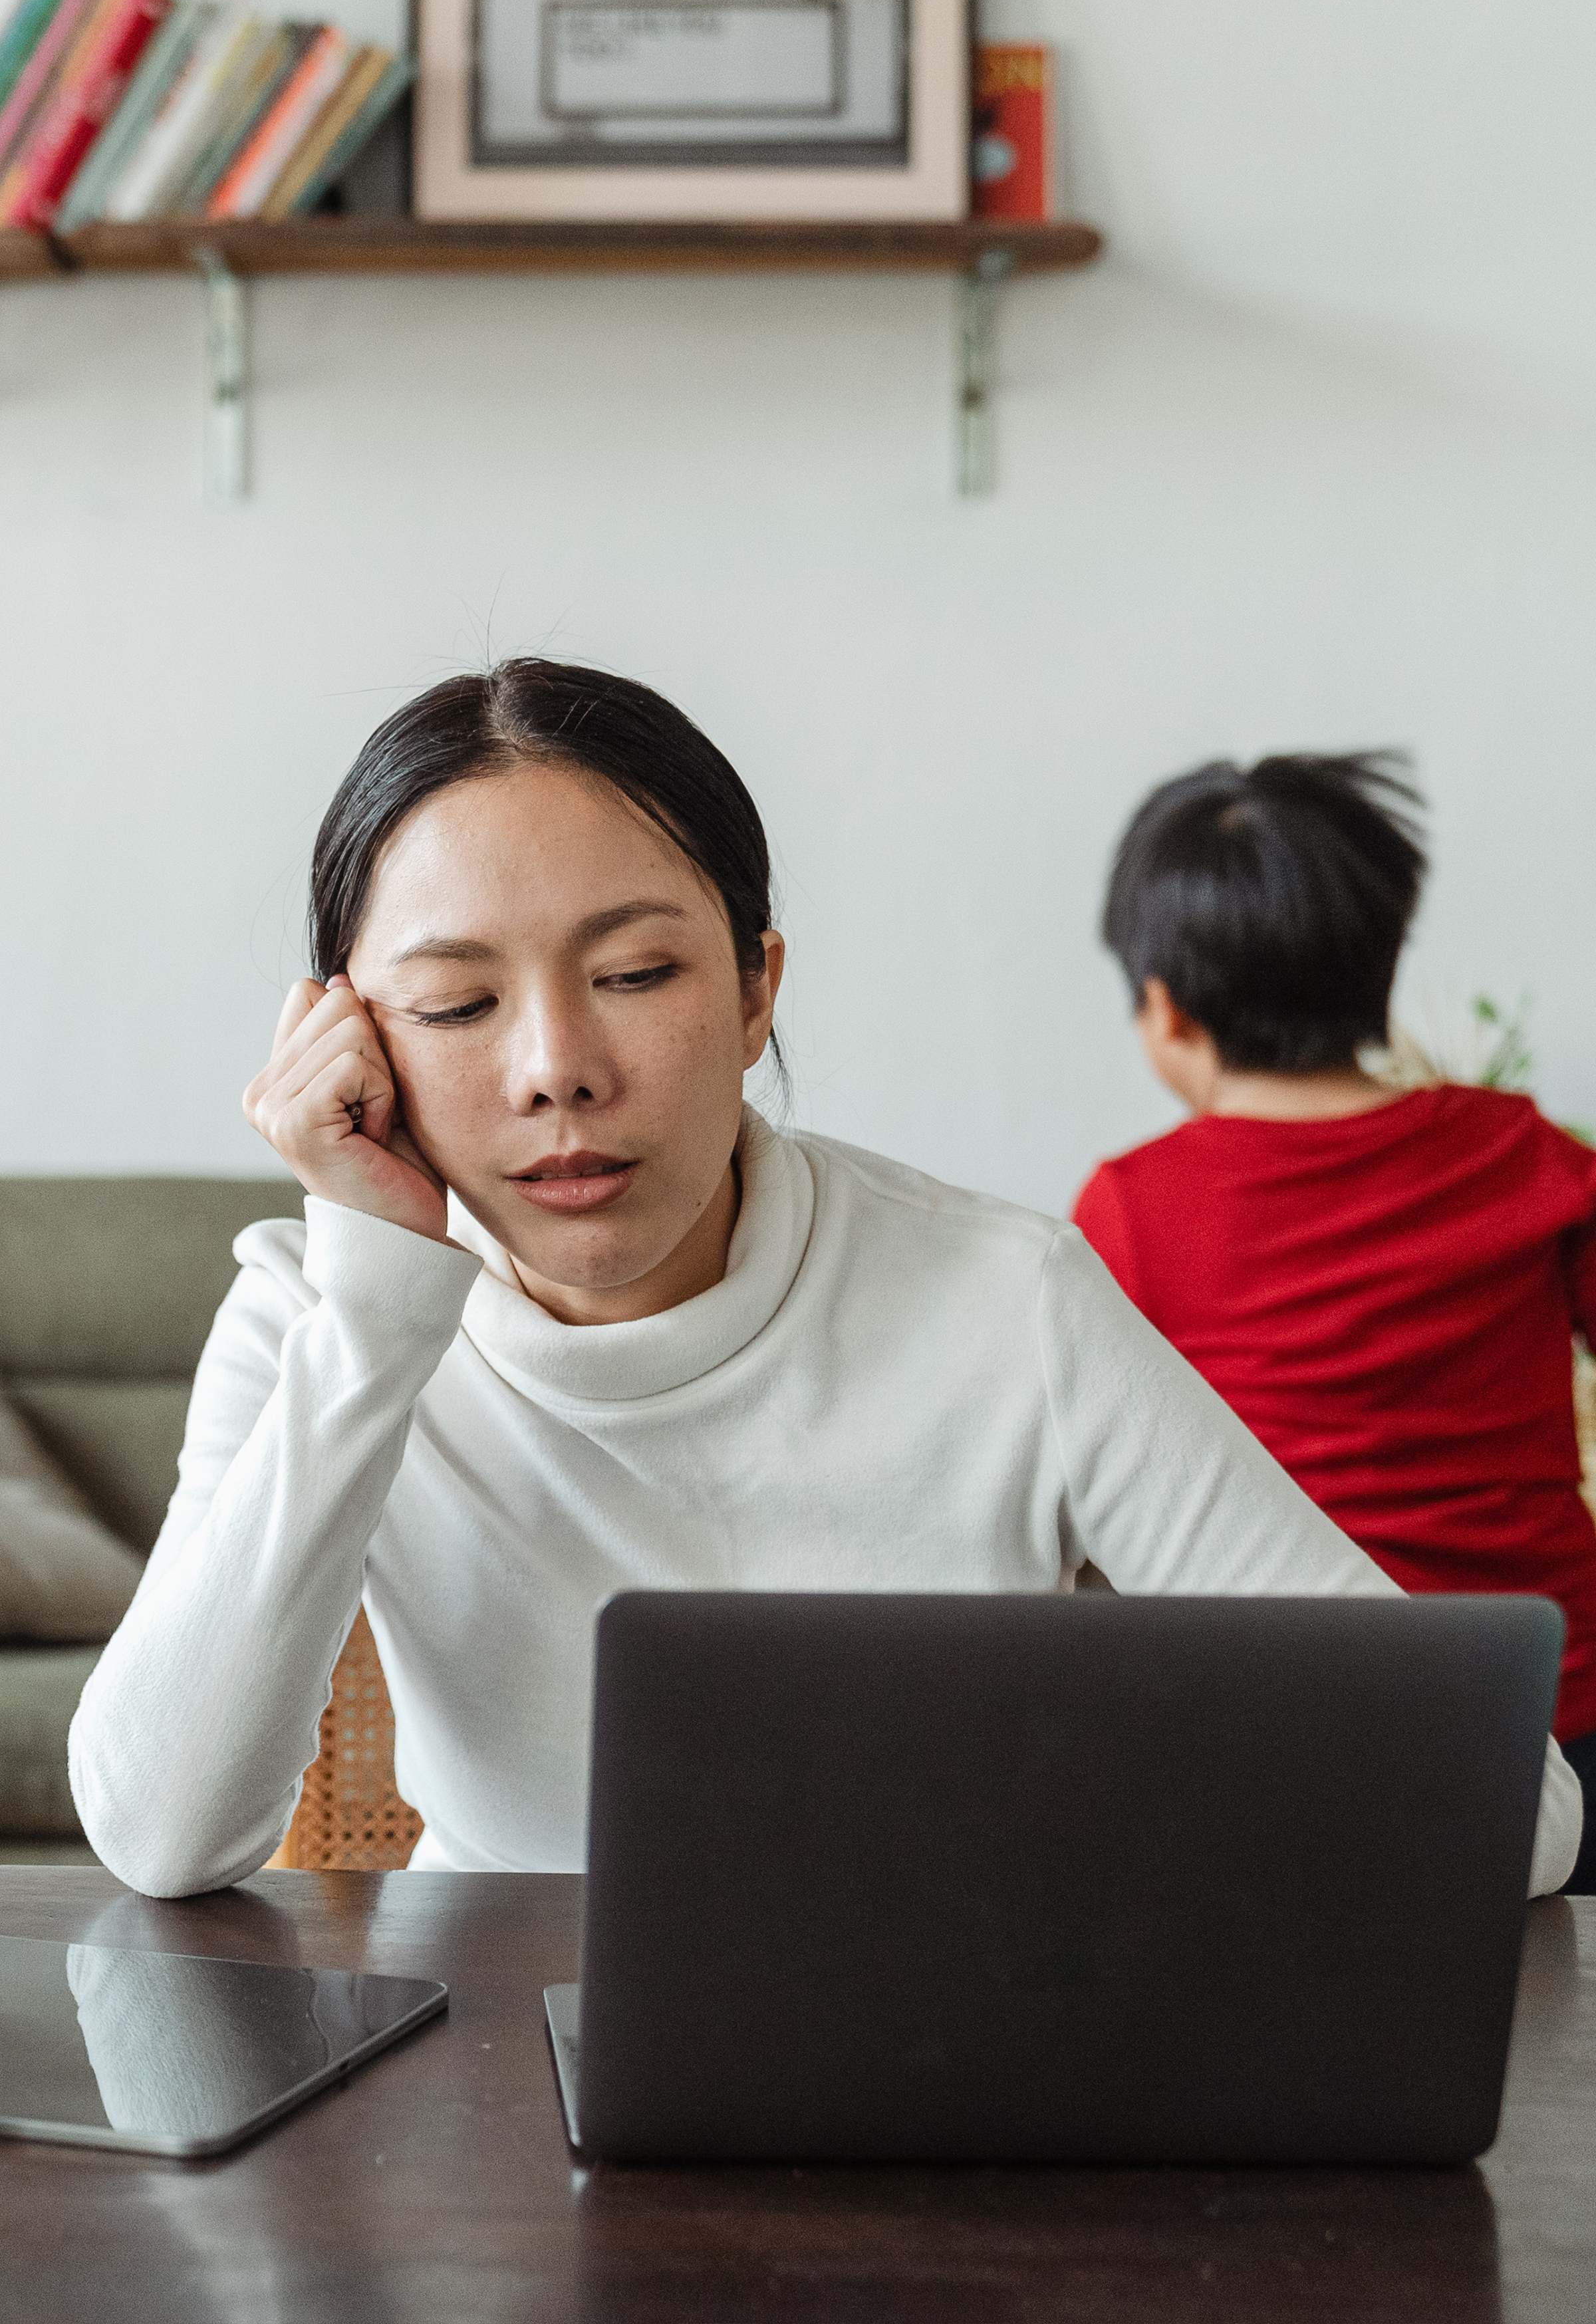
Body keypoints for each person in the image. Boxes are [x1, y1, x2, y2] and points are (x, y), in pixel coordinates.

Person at [68, 674, 1581, 1898]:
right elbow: (159, 1835)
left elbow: (1511, 1816)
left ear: (755, 993)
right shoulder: (313, 1313)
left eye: (640, 974)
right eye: (458, 1004)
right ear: (351, 1041)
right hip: (488, 2089)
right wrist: (377, 1304)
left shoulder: (1010, 1300)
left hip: (952, 2062)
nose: (556, 1073)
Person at [1073, 750, 1596, 1890]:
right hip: (1560, 1711)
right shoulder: (1523, 1153)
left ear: (1165, 1006)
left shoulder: (1131, 1208)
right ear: (1382, 965)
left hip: (1293, 1731)